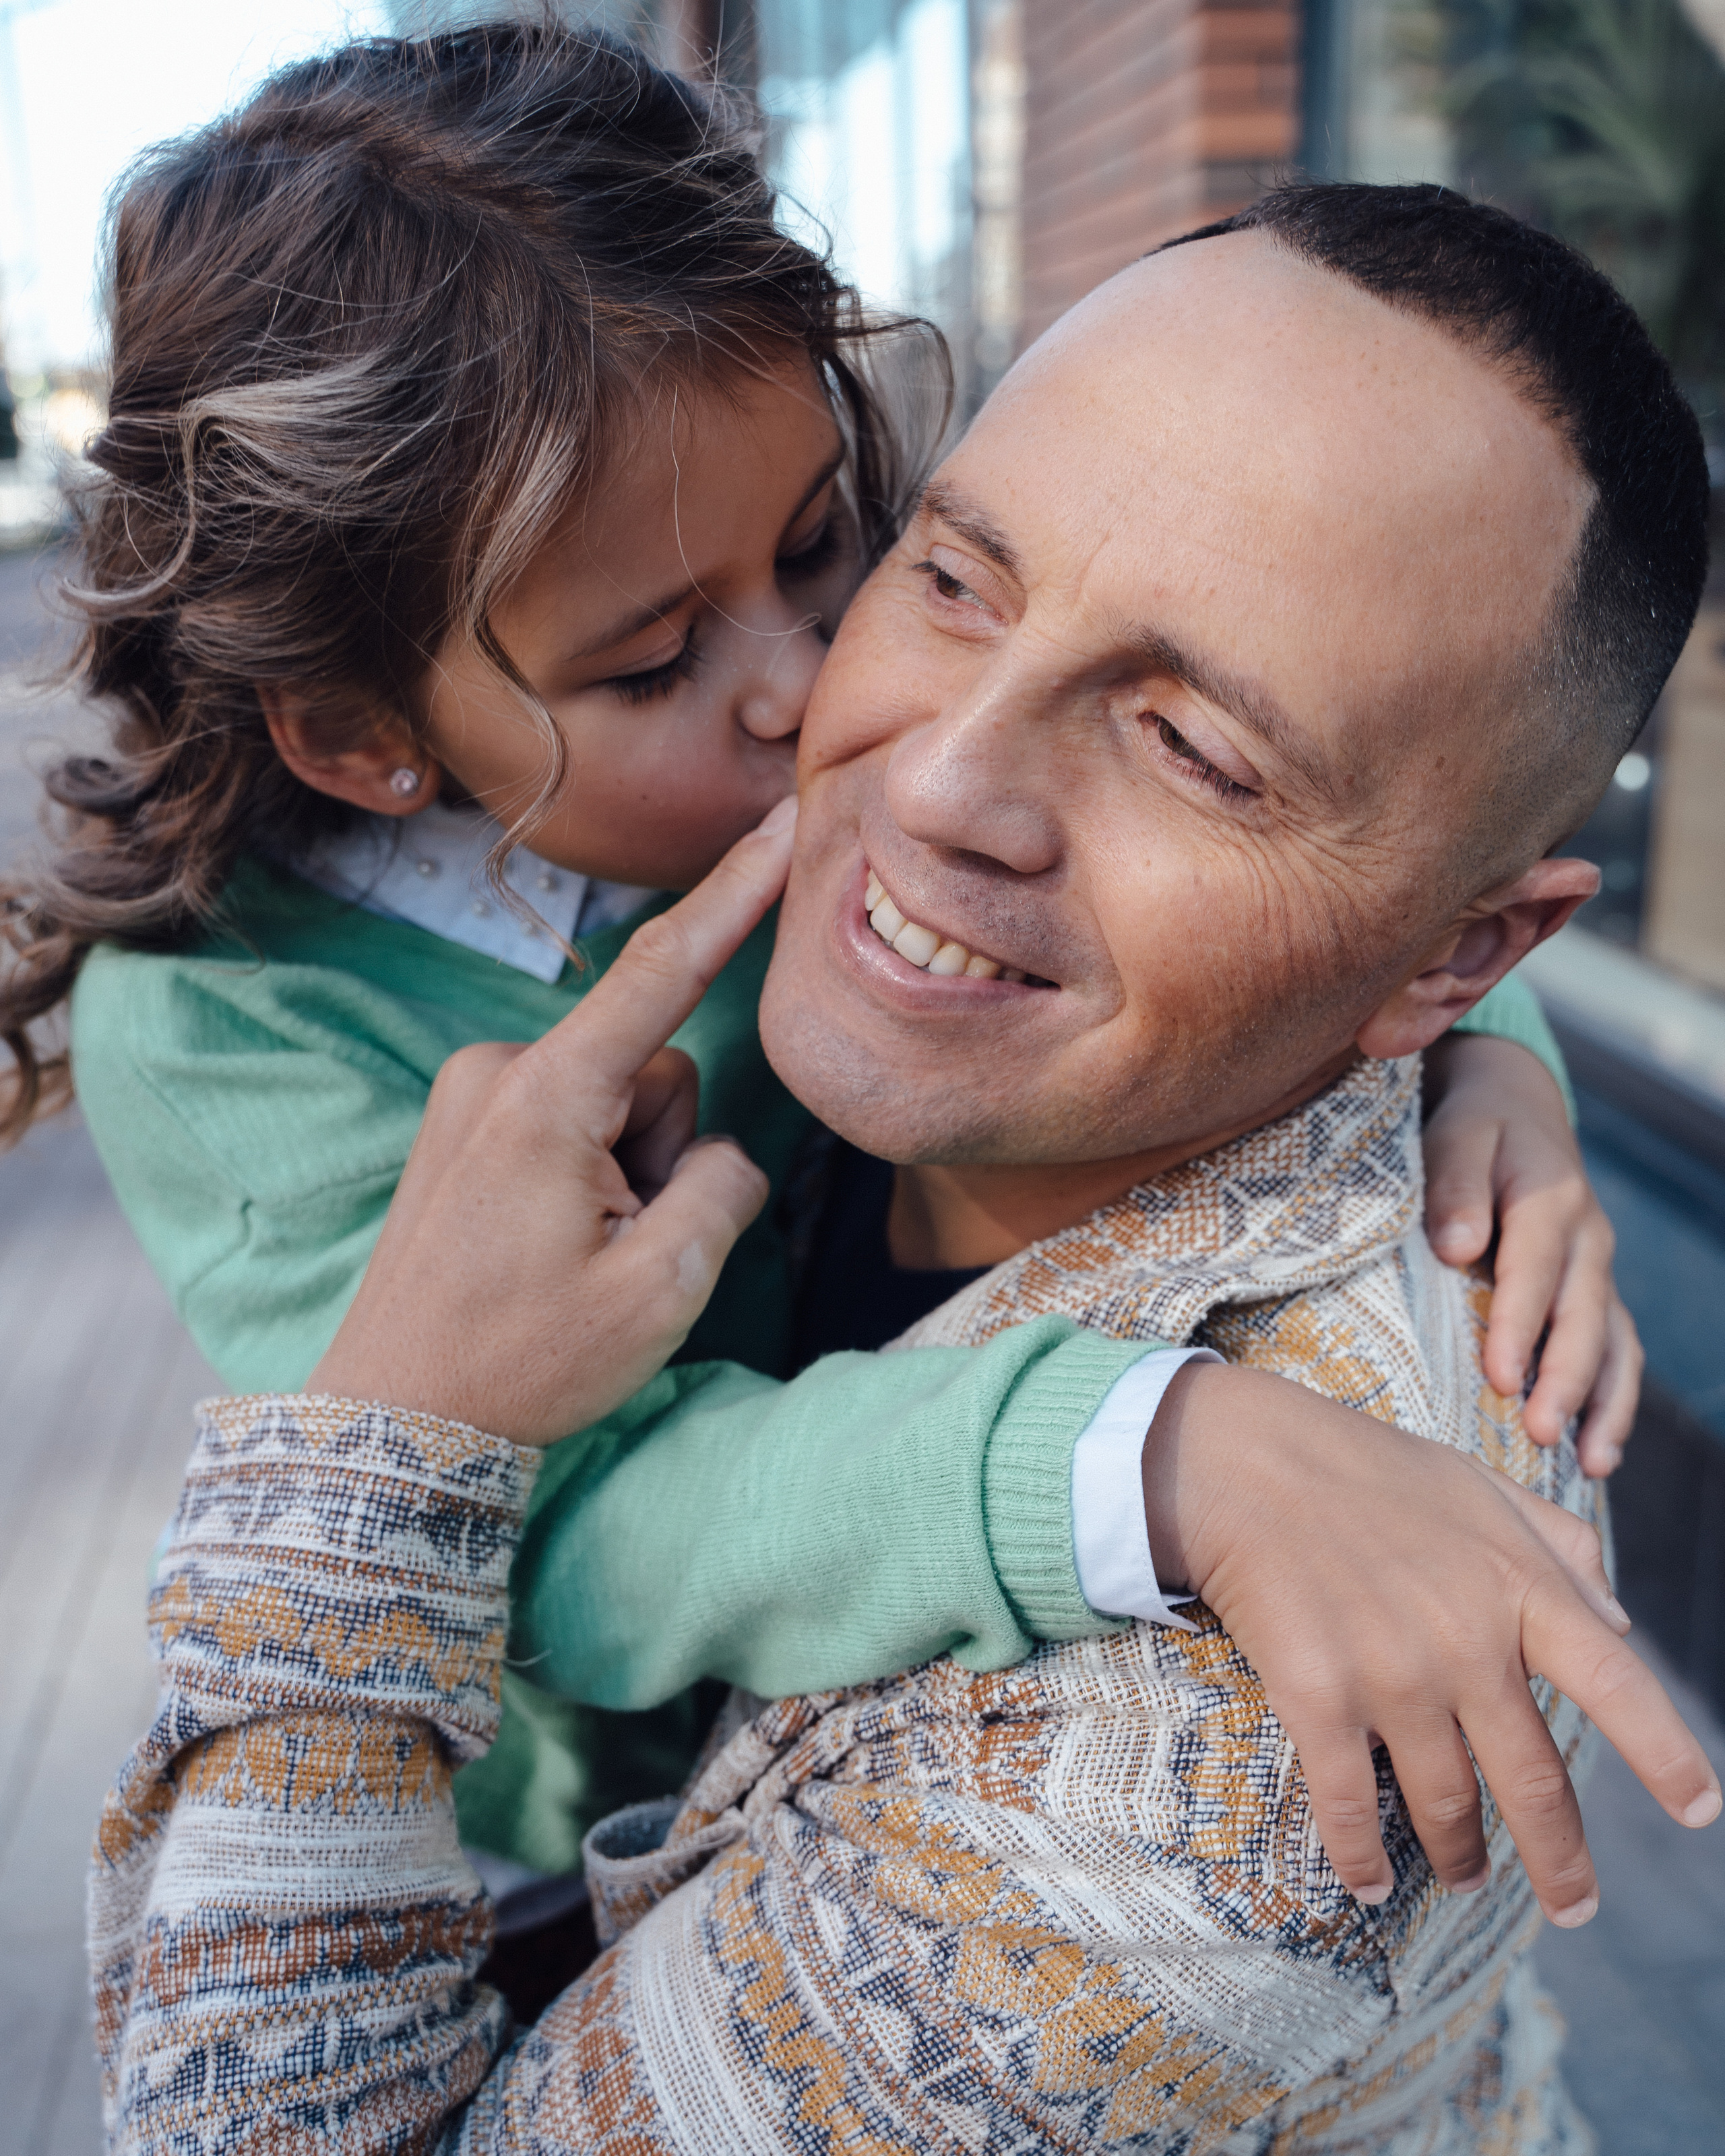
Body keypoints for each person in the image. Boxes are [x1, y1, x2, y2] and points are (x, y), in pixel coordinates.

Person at [91, 183, 1721, 2151]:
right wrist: (400, 1423)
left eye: (1197, 750)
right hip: (523, 1784)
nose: (886, 755)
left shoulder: (1169, 1808)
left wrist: (1495, 1046)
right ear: (373, 739)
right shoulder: (247, 1020)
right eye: (949, 576)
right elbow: (565, 1523)